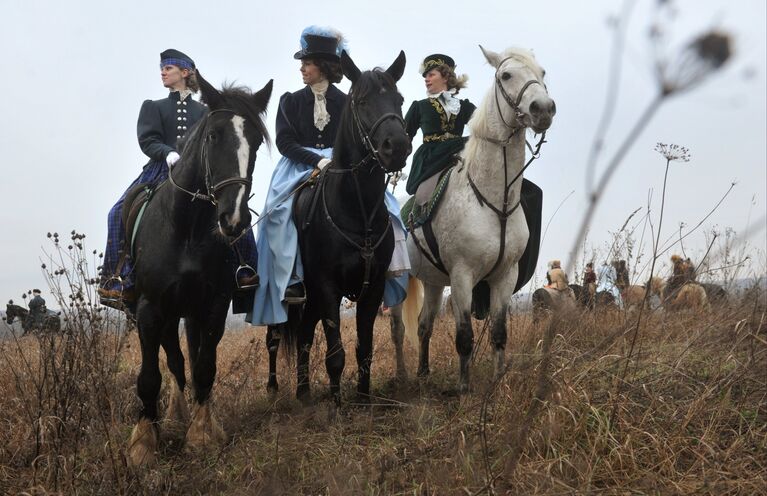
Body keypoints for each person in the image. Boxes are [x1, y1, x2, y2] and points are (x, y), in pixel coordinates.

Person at [247, 26, 410, 327]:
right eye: (302, 64)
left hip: (342, 163)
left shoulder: (348, 99)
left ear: (322, 66)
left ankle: (390, 269)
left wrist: (336, 161)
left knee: (390, 209)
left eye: (306, 63)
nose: (302, 68)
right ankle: (292, 279)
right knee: (278, 214)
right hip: (299, 166)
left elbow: (355, 136)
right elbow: (285, 143)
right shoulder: (290, 101)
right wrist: (316, 161)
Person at [97, 49, 259, 309]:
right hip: (161, 169)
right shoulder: (153, 107)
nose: (163, 72)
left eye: (169, 68)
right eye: (162, 68)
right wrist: (167, 153)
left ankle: (244, 268)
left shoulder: (205, 111)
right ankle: (118, 277)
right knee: (116, 212)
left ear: (185, 73)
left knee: (236, 211)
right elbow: (148, 140)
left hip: (198, 175)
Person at [404, 54, 474, 196]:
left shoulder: (464, 106)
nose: (426, 79)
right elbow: (404, 136)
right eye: (425, 76)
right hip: (431, 158)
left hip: (458, 153)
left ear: (445, 77)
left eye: (431, 75)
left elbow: (485, 125)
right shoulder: (419, 106)